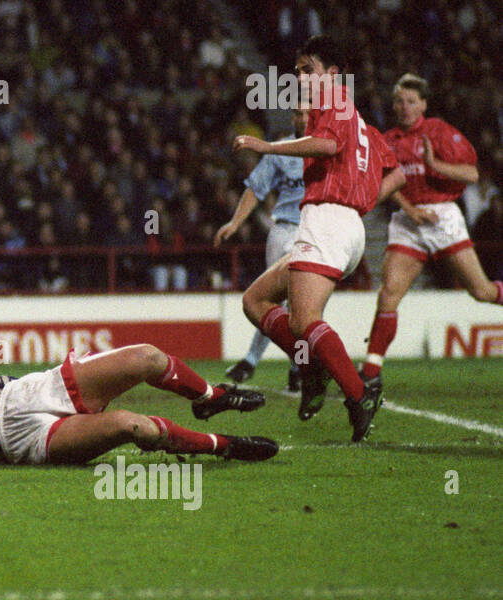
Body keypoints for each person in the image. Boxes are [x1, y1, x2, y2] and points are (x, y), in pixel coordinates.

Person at [235, 36, 405, 442]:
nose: (300, 76)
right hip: (342, 224)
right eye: (297, 70)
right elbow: (396, 173)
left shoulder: (334, 98)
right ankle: (313, 373)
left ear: (331, 73)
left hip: (327, 220)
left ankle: (359, 394)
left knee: (305, 319)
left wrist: (267, 145)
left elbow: (327, 144)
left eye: (307, 68)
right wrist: (359, 203)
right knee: (255, 301)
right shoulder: (360, 119)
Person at [0, 347, 273, 470]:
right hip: (22, 441)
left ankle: (210, 399)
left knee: (147, 358)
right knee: (135, 427)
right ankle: (225, 446)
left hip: (26, 393)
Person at [360, 74, 503, 388]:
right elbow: (387, 182)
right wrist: (409, 209)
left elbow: (471, 174)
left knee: (482, 292)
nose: (404, 106)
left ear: (424, 104)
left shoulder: (438, 131)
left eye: (411, 101)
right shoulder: (388, 139)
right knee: (388, 293)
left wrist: (435, 164)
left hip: (442, 217)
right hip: (408, 221)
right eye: (399, 100)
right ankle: (370, 373)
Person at [216, 106, 307, 390]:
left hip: (313, 231)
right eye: (298, 114)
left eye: (308, 113)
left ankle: (292, 366)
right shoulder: (280, 150)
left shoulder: (330, 149)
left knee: (304, 305)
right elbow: (256, 187)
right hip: (283, 231)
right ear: (292, 118)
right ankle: (260, 361)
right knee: (271, 302)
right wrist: (235, 222)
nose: (302, 118)